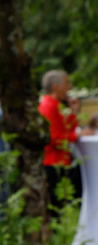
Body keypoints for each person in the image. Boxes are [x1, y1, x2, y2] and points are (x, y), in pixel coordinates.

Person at [38, 70, 93, 216]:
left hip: (60, 161)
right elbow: (54, 139)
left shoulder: (56, 105)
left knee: (60, 205)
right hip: (53, 162)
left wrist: (74, 112)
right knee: (56, 206)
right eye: (66, 83)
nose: (69, 87)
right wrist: (77, 135)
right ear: (55, 87)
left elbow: (67, 129)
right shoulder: (48, 106)